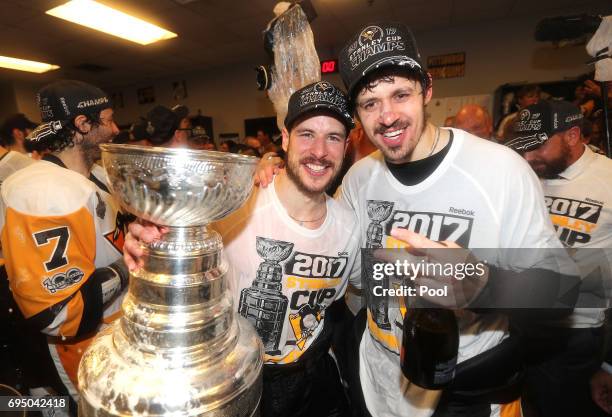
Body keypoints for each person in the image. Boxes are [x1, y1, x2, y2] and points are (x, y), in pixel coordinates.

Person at [335, 23, 570, 417]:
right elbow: (328, 244)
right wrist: (286, 181)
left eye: (400, 94)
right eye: (370, 103)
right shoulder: (359, 178)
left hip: (464, 392)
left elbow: (562, 292)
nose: (387, 116)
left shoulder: (500, 170)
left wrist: (484, 285)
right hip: (377, 381)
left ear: (427, 89)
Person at [125, 81, 361, 417]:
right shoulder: (236, 205)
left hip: (312, 384)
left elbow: (358, 294)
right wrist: (146, 239)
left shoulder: (350, 226)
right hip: (237, 378)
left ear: (346, 145)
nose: (320, 151)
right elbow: (168, 243)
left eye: (333, 137)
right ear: (285, 138)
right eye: (307, 134)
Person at [0, 80, 129, 415]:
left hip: (112, 337)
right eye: (108, 120)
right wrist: (128, 268)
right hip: (73, 351)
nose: (116, 129)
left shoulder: (97, 173)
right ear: (82, 125)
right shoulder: (42, 190)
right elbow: (60, 313)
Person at [506, 100, 611, 417]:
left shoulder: (607, 181)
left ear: (572, 135)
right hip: (518, 324)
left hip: (575, 336)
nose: (528, 156)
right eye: (523, 148)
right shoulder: (527, 176)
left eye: (538, 147)